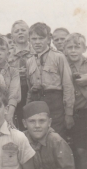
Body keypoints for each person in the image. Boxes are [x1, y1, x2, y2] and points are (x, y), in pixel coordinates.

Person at [26, 23, 75, 138]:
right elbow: (29, 88)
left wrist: (69, 113)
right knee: (39, 137)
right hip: (37, 102)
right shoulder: (29, 61)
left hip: (55, 103)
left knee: (57, 136)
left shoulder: (59, 57)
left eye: (41, 38)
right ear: (29, 40)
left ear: (49, 39)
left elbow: (68, 86)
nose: (37, 42)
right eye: (34, 39)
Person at [23, 101, 75, 169]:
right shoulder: (21, 140)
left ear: (49, 122)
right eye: (32, 121)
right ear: (24, 123)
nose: (37, 125)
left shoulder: (57, 142)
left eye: (42, 121)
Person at [64, 33, 87, 169]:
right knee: (79, 149)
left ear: (83, 49)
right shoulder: (64, 64)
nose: (73, 50)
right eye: (70, 47)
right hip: (76, 113)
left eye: (77, 47)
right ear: (65, 50)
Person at [8, 20, 34, 130]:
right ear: (12, 36)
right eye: (16, 31)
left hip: (32, 90)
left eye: (23, 30)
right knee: (17, 123)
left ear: (29, 34)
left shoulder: (35, 51)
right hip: (15, 93)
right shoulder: (8, 54)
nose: (20, 33)